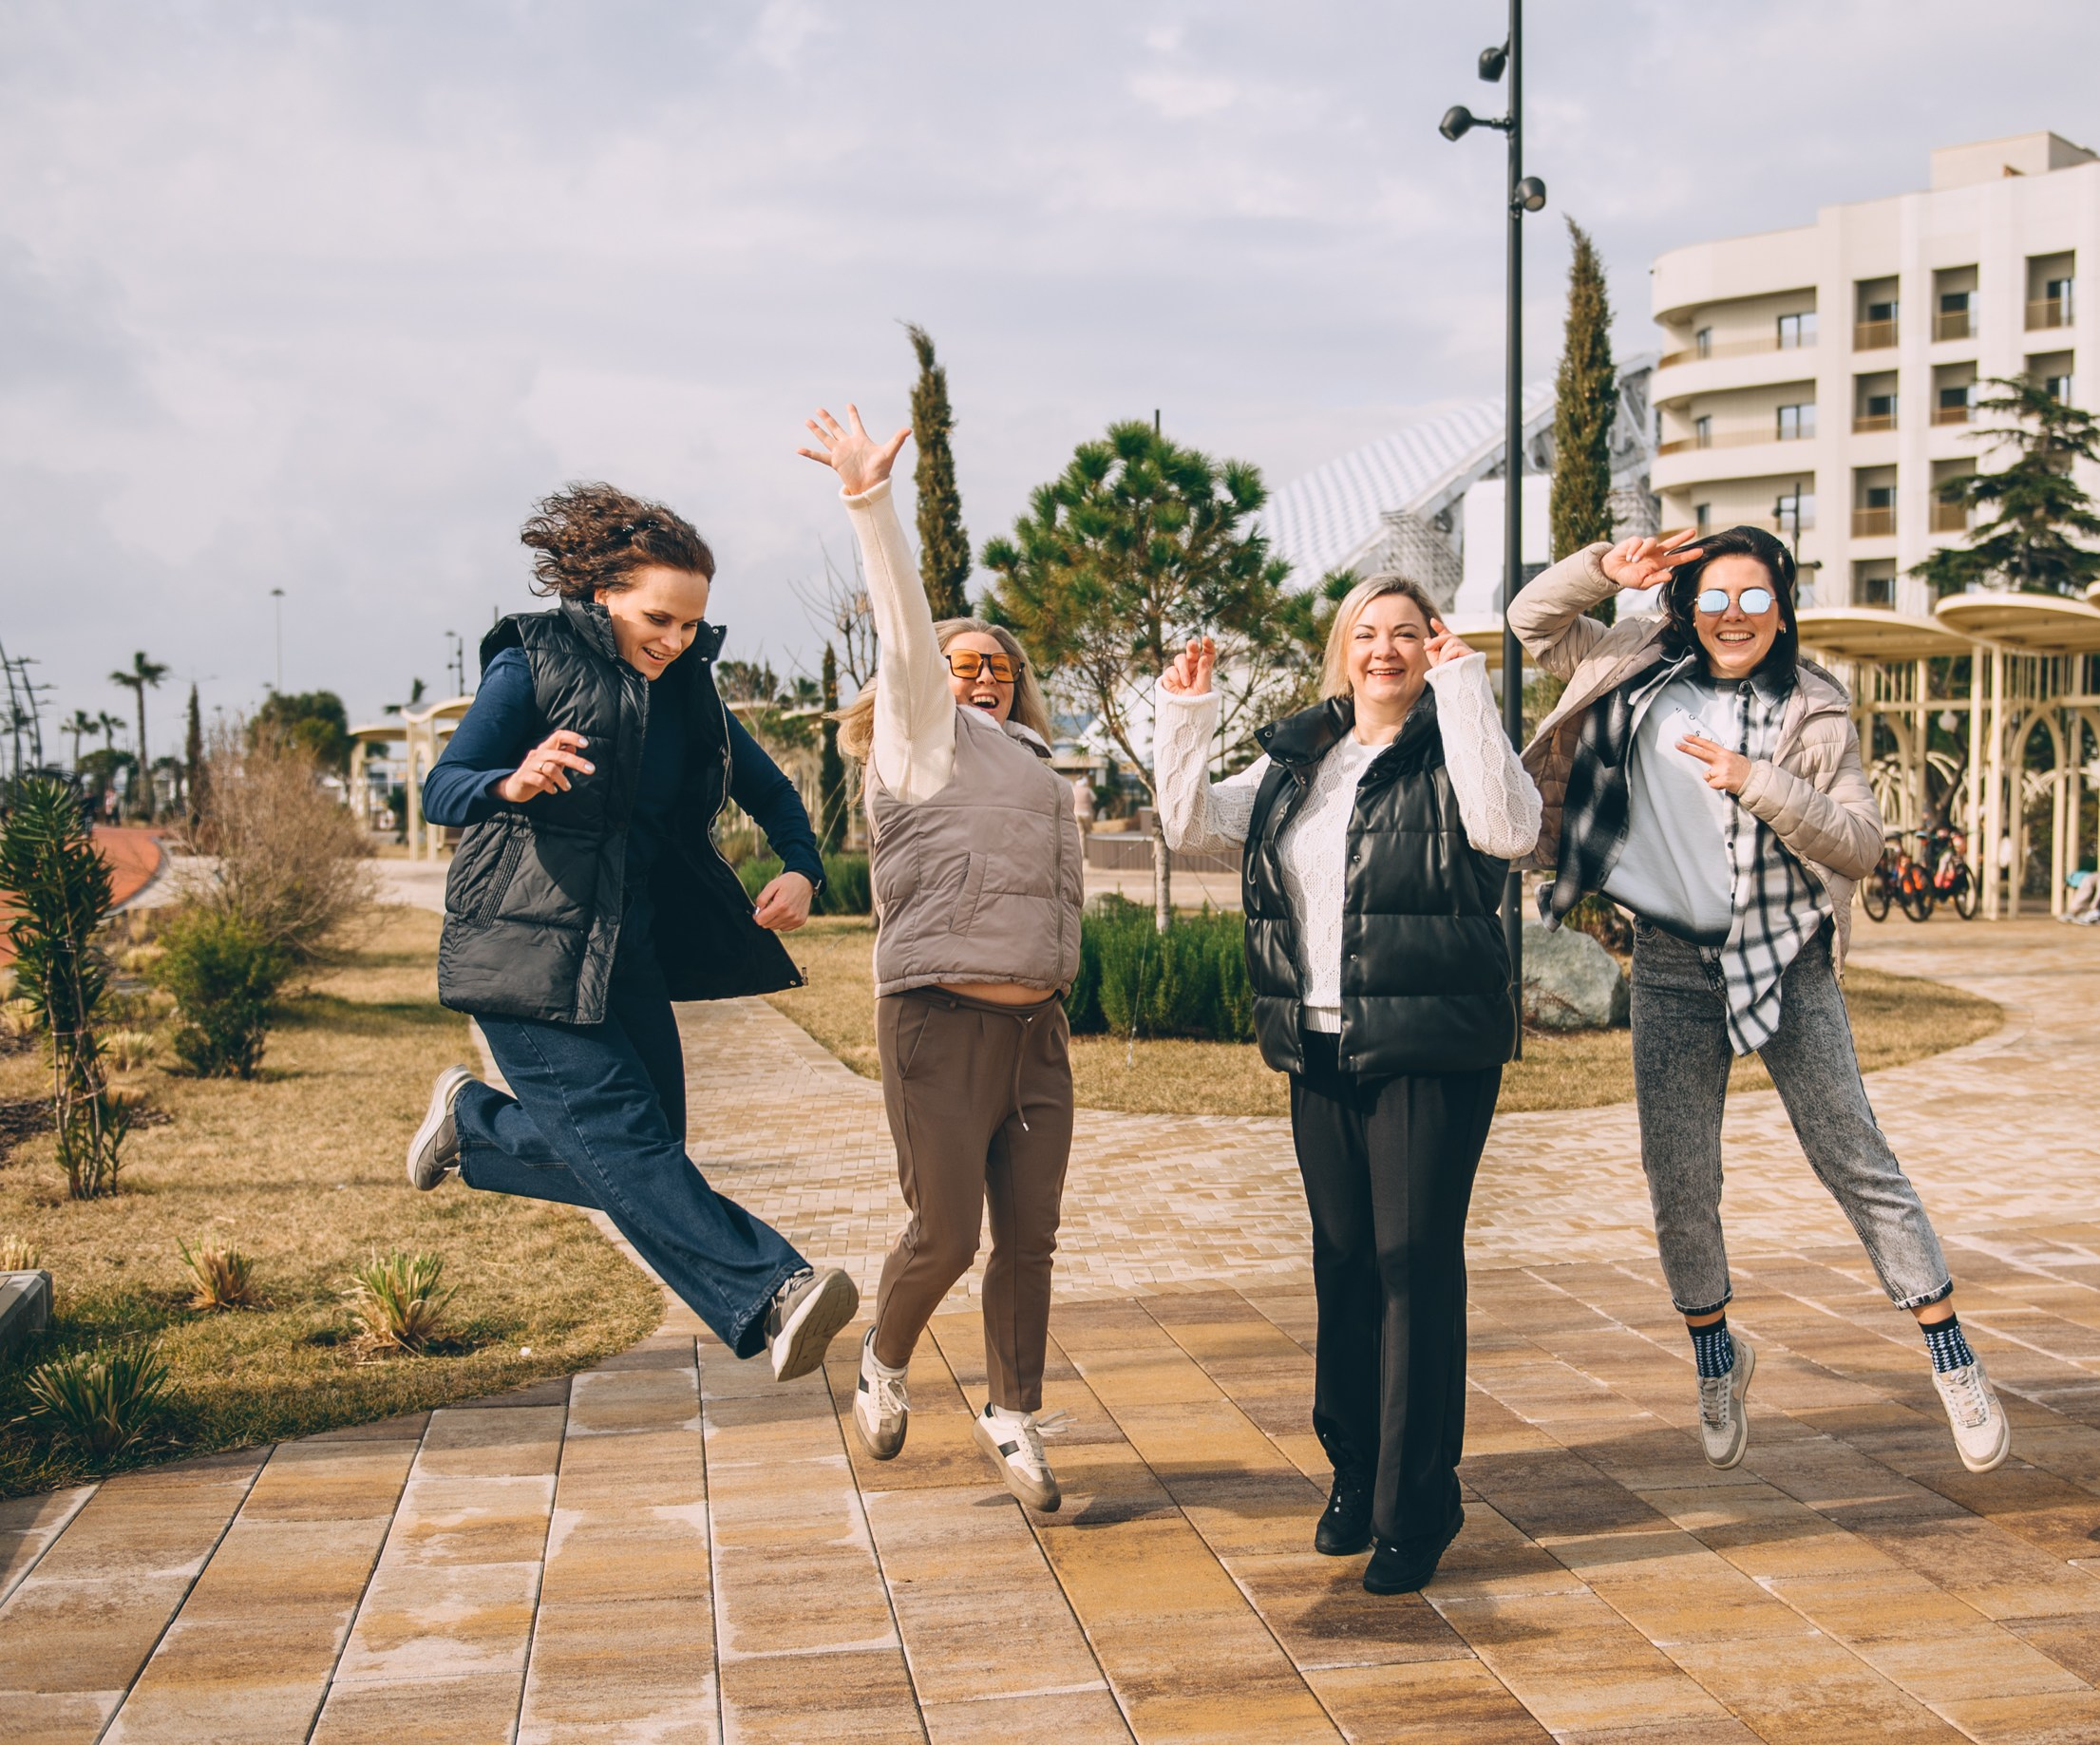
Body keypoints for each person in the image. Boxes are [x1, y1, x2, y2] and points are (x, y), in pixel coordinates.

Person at [1512, 524, 2009, 1474]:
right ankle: (1716, 1356)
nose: (1733, 618)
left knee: (1853, 1155)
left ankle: (1951, 1354)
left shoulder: (1814, 705)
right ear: (1686, 607)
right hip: (1670, 962)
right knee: (1681, 1178)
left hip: (1786, 955)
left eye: (1754, 599)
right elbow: (1529, 621)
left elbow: (1860, 844)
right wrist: (1601, 572)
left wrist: (1761, 782)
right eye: (1714, 600)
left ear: (1780, 608)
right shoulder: (1631, 660)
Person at [405, 483, 859, 1382]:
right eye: (659, 617)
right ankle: (775, 1289)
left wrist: (801, 865)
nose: (676, 640)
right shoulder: (530, 665)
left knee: (643, 1153)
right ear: (602, 592)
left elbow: (766, 788)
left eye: (692, 625)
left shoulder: (688, 691)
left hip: (627, 955)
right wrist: (514, 779)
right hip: (523, 951)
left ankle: (476, 1121)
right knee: (628, 1147)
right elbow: (440, 785)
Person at [1154, 579, 1542, 1595]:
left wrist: (1468, 686)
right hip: (1318, 1043)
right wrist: (1185, 714)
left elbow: (1507, 830)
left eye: (1407, 634)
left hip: (1428, 1043)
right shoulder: (1298, 760)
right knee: (1344, 1263)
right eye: (1366, 633)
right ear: (1341, 648)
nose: (1385, 649)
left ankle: (1419, 1502)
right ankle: (1355, 1470)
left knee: (1413, 1262)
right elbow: (1191, 825)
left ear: (1433, 648)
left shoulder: (1459, 746)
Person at [799, 405, 1085, 1513]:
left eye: (999, 667)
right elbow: (911, 642)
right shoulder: (918, 747)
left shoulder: (1040, 767)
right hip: (939, 1022)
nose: (981, 677)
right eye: (965, 665)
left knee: (1031, 1241)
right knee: (948, 1234)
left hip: (1035, 1032)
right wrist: (873, 506)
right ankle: (883, 1356)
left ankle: (1012, 1410)